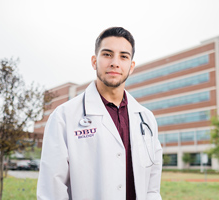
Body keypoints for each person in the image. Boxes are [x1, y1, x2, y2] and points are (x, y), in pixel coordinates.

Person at [37, 27, 163, 200]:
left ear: (131, 66)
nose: (115, 63)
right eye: (107, 54)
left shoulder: (146, 118)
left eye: (123, 56)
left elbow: (152, 188)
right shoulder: (63, 117)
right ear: (94, 61)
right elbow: (52, 192)